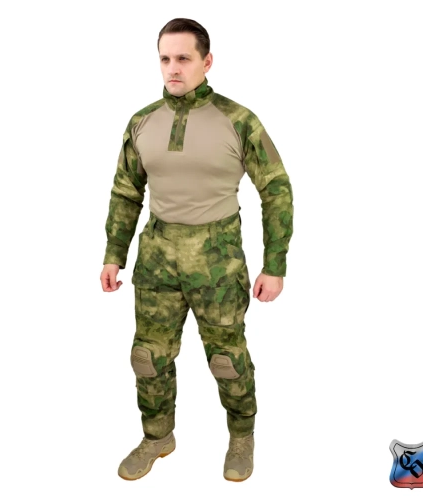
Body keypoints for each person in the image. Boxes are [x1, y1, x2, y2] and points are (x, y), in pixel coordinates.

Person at [100, 18, 293, 482]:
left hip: (217, 262)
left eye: (183, 58)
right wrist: (114, 253)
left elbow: (277, 190)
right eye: (165, 58)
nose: (173, 68)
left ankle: (241, 437)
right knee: (148, 357)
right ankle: (157, 437)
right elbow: (126, 191)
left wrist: (274, 264)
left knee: (227, 359)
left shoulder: (238, 120)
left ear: (207, 62)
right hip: (156, 259)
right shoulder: (142, 122)